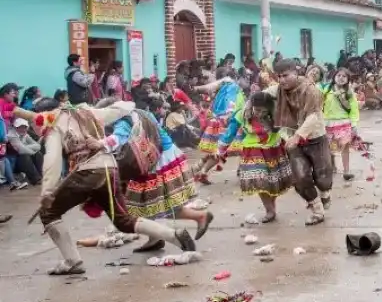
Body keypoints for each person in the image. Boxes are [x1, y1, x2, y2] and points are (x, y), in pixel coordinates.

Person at [35, 100, 195, 275]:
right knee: (123, 220)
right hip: (109, 168)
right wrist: (126, 105)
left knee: (48, 212)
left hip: (87, 172)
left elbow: (52, 160)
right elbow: (121, 108)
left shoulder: (54, 125)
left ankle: (72, 261)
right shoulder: (84, 112)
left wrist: (47, 190)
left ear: (43, 114)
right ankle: (174, 235)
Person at [115, 98, 212, 252]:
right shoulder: (142, 113)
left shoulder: (121, 123)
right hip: (166, 155)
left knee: (159, 205)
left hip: (156, 163)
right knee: (149, 205)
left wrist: (100, 144)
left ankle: (199, 216)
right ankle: (155, 238)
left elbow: (115, 140)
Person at [271, 58, 332, 226]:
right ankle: (317, 210)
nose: (282, 80)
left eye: (285, 75)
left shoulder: (311, 90)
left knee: (323, 178)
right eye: (279, 76)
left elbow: (313, 116)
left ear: (295, 73)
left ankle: (325, 194)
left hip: (315, 137)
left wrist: (298, 136)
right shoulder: (279, 90)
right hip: (292, 140)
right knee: (300, 177)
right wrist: (250, 105)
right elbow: (263, 95)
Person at [219, 90, 294, 223]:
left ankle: (271, 205)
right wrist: (222, 148)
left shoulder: (276, 113)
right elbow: (230, 132)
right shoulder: (242, 114)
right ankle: (269, 210)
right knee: (260, 180)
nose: (259, 114)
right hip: (252, 149)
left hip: (273, 149)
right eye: (257, 110)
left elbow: (287, 128)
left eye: (263, 111)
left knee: (273, 181)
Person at [194, 69, 245, 184]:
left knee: (218, 150)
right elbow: (231, 104)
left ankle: (200, 169)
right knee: (223, 150)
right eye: (243, 77)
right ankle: (203, 171)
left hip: (217, 121)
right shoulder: (232, 86)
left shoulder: (221, 88)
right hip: (228, 121)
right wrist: (229, 116)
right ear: (236, 77)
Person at [322, 68, 360, 181]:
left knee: (345, 147)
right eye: (339, 75)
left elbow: (354, 109)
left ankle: (346, 171)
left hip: (344, 123)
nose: (341, 78)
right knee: (328, 148)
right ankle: (332, 166)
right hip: (328, 123)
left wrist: (354, 125)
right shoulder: (327, 90)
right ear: (334, 77)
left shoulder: (349, 93)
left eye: (344, 76)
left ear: (348, 79)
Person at [7, 118, 43, 185]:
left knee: (38, 154)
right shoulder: (11, 135)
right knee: (25, 156)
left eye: (24, 127)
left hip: (24, 158)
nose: (23, 129)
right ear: (15, 127)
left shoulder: (25, 134)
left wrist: (25, 147)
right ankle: (36, 179)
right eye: (20, 127)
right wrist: (31, 151)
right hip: (14, 163)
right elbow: (21, 150)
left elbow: (38, 146)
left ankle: (43, 176)